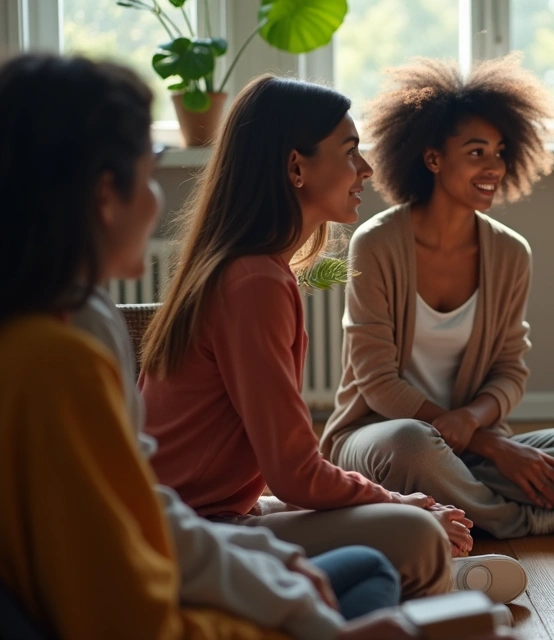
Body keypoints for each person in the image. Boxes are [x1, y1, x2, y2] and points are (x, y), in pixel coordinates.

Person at [0, 53, 410, 639]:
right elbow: (130, 591)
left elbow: (142, 510)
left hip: (206, 532)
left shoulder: (78, 324)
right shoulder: (57, 359)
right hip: (196, 557)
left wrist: (282, 576)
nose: (156, 200)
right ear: (104, 196)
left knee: (363, 561)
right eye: (149, 171)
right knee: (391, 552)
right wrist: (310, 620)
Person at [138, 74, 525, 604]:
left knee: (398, 519)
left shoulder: (257, 271)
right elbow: (296, 474)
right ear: (296, 166)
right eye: (350, 153)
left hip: (224, 512)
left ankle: (421, 579)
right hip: (189, 533)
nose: (365, 169)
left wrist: (397, 502)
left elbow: (282, 477)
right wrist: (403, 503)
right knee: (411, 531)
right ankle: (434, 586)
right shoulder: (254, 283)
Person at [319, 55, 554, 539]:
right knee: (413, 443)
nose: (494, 167)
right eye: (476, 152)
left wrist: (474, 426)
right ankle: (518, 520)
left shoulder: (510, 253)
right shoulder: (378, 243)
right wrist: (489, 444)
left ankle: (451, 503)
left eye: (500, 152)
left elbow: (511, 371)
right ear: (433, 158)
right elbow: (376, 381)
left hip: (467, 450)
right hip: (380, 436)